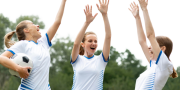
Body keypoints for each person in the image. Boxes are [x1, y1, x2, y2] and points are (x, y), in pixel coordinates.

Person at [0, 0, 67, 89]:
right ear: (26, 30)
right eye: (32, 24)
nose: (37, 25)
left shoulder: (44, 42)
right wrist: (18, 68)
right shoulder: (23, 44)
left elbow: (57, 22)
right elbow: (1, 58)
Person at [129, 0, 178, 90]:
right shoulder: (154, 65)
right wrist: (137, 18)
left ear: (162, 48)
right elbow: (142, 41)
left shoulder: (164, 64)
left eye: (152, 44)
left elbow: (150, 35)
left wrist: (144, 9)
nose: (148, 46)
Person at [71, 0, 111, 89]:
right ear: (83, 44)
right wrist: (87, 22)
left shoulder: (101, 60)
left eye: (95, 41)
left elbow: (108, 37)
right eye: (90, 41)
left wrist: (105, 15)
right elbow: (76, 44)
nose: (93, 43)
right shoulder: (76, 59)